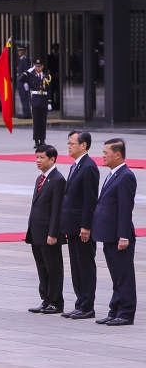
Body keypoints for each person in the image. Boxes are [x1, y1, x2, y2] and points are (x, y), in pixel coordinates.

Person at [93, 138, 137, 326]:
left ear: (117, 155)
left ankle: (126, 312)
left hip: (119, 236)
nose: (102, 156)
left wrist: (123, 236)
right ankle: (115, 309)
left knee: (123, 274)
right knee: (115, 274)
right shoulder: (112, 174)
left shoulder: (126, 176)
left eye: (106, 153)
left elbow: (125, 209)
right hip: (108, 234)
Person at [60, 131, 100, 320]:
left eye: (72, 143)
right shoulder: (76, 165)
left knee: (85, 265)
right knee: (76, 266)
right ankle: (80, 303)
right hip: (72, 226)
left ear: (83, 145)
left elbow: (90, 200)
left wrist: (86, 225)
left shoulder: (89, 167)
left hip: (82, 227)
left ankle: (87, 305)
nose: (69, 146)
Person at [25, 144, 66, 315]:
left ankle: (56, 301)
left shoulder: (58, 180)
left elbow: (57, 209)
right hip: (37, 232)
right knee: (42, 267)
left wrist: (53, 233)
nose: (38, 161)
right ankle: (46, 299)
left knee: (53, 267)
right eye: (37, 157)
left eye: (42, 158)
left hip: (49, 233)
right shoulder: (40, 178)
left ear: (52, 159)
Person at [20, 58, 52, 148]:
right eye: (36, 67)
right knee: (36, 122)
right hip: (35, 100)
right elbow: (20, 79)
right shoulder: (30, 76)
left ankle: (42, 140)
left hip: (44, 100)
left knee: (43, 121)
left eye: (39, 66)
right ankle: (36, 141)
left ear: (42, 66)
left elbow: (49, 89)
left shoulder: (47, 76)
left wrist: (49, 101)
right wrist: (27, 71)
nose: (38, 68)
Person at [16, 46, 32, 119]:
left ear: (23, 51)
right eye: (18, 51)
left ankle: (27, 113)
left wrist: (26, 81)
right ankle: (25, 112)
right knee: (22, 97)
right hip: (19, 79)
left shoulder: (26, 59)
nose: (18, 52)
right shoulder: (20, 59)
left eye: (20, 51)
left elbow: (27, 71)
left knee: (25, 97)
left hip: (23, 80)